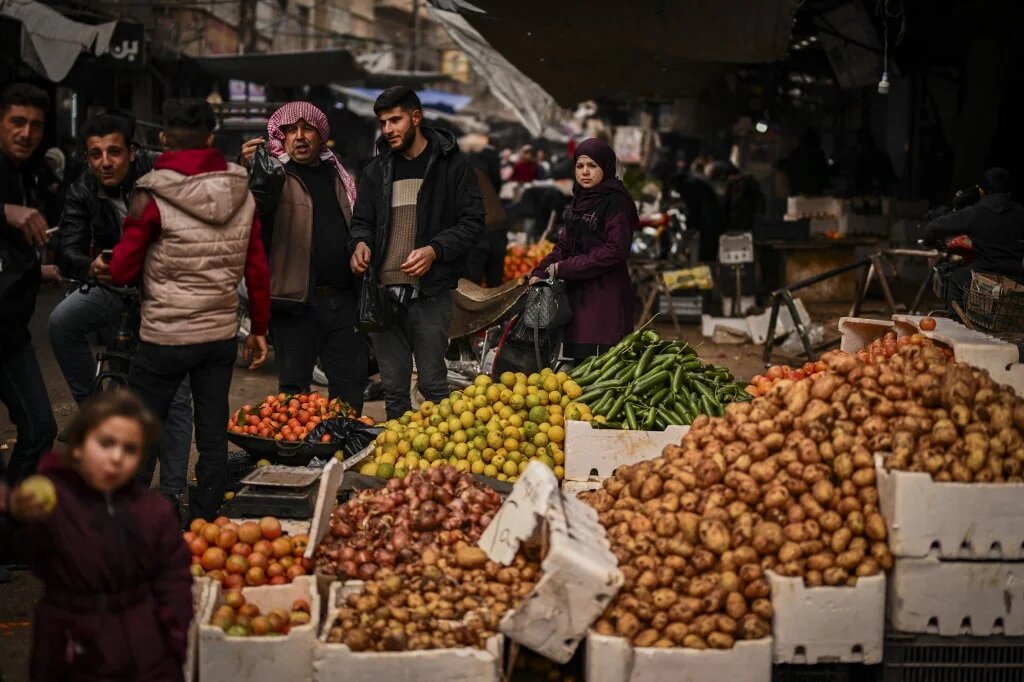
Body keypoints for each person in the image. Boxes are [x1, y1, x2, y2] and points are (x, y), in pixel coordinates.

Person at [110, 99, 270, 520]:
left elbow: (123, 269)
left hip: (165, 337)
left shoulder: (152, 191)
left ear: (164, 139)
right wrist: (259, 329)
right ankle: (204, 520)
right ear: (212, 138)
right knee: (213, 433)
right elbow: (256, 266)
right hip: (218, 337)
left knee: (144, 430)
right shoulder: (240, 187)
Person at [49, 112, 196, 504]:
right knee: (62, 321)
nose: (105, 162)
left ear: (132, 152)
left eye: (114, 152)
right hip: (113, 282)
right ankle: (98, 414)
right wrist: (89, 265)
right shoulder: (82, 187)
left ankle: (172, 492)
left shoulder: (160, 171)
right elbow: (66, 246)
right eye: (95, 154)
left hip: (166, 289)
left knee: (176, 393)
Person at [1, 390, 192, 680]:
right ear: (77, 446)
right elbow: (24, 548)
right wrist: (15, 517)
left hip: (142, 646)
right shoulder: (52, 502)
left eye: (130, 449)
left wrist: (172, 636)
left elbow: (175, 577)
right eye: (106, 443)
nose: (116, 457)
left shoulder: (155, 512)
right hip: (69, 645)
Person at [349, 86, 484, 418]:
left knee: (433, 386)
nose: (389, 129)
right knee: (393, 390)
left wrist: (435, 250)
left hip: (431, 292)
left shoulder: (451, 166)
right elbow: (361, 221)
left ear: (416, 117)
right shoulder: (376, 170)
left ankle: (435, 461)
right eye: (383, 123)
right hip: (382, 295)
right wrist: (360, 244)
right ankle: (400, 461)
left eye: (395, 120)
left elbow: (472, 222)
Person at [238, 102, 367, 413]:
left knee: (349, 390)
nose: (299, 137)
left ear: (320, 135)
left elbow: (358, 221)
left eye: (307, 128)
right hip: (292, 305)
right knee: (294, 396)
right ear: (280, 137)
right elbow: (247, 212)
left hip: (341, 301)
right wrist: (246, 168)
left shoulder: (338, 176)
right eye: (290, 130)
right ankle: (298, 460)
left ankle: (343, 454)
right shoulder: (272, 176)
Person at [529, 138, 636, 362]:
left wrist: (564, 268)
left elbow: (616, 250)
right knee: (579, 367)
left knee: (602, 368)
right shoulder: (579, 199)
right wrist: (540, 270)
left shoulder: (617, 201)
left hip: (606, 297)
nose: (585, 172)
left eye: (592, 166)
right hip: (578, 296)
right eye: (580, 166)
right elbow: (565, 245)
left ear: (605, 167)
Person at [0, 83, 58, 486]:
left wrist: (41, 271)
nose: (26, 133)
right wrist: (5, 210)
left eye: (35, 125)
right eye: (17, 122)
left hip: (12, 331)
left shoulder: (26, 173)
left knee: (40, 429)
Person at [925, 168, 1024, 300]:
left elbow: (932, 228)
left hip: (982, 276)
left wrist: (932, 242)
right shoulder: (1020, 212)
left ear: (981, 191)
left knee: (955, 279)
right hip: (1016, 279)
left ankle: (955, 319)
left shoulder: (974, 213)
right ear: (1009, 191)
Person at [782, 128, 830, 196]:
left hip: (799, 191)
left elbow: (790, 172)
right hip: (814, 191)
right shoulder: (818, 154)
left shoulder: (795, 153)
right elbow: (824, 172)